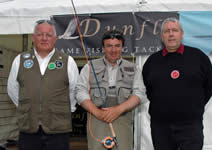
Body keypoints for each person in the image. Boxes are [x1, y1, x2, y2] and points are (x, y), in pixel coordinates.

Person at [142, 17, 212, 150]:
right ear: (161, 36)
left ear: (181, 34)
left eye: (174, 30)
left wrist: (194, 106)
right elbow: (148, 89)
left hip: (190, 125)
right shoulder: (152, 61)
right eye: (167, 31)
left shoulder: (198, 57)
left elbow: (210, 85)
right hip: (161, 127)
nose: (171, 34)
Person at [7, 19, 79, 150]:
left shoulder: (68, 61)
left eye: (49, 35)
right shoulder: (20, 60)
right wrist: (28, 106)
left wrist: (64, 109)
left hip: (58, 128)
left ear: (55, 38)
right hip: (29, 128)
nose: (44, 38)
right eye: (40, 34)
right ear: (33, 37)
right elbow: (12, 89)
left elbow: (74, 90)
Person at [75, 30, 146, 150]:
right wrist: (98, 113)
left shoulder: (134, 69)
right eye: (109, 46)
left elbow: (139, 94)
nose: (113, 50)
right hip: (97, 118)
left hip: (123, 118)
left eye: (117, 46)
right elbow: (80, 91)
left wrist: (118, 110)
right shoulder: (89, 67)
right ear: (103, 48)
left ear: (122, 47)